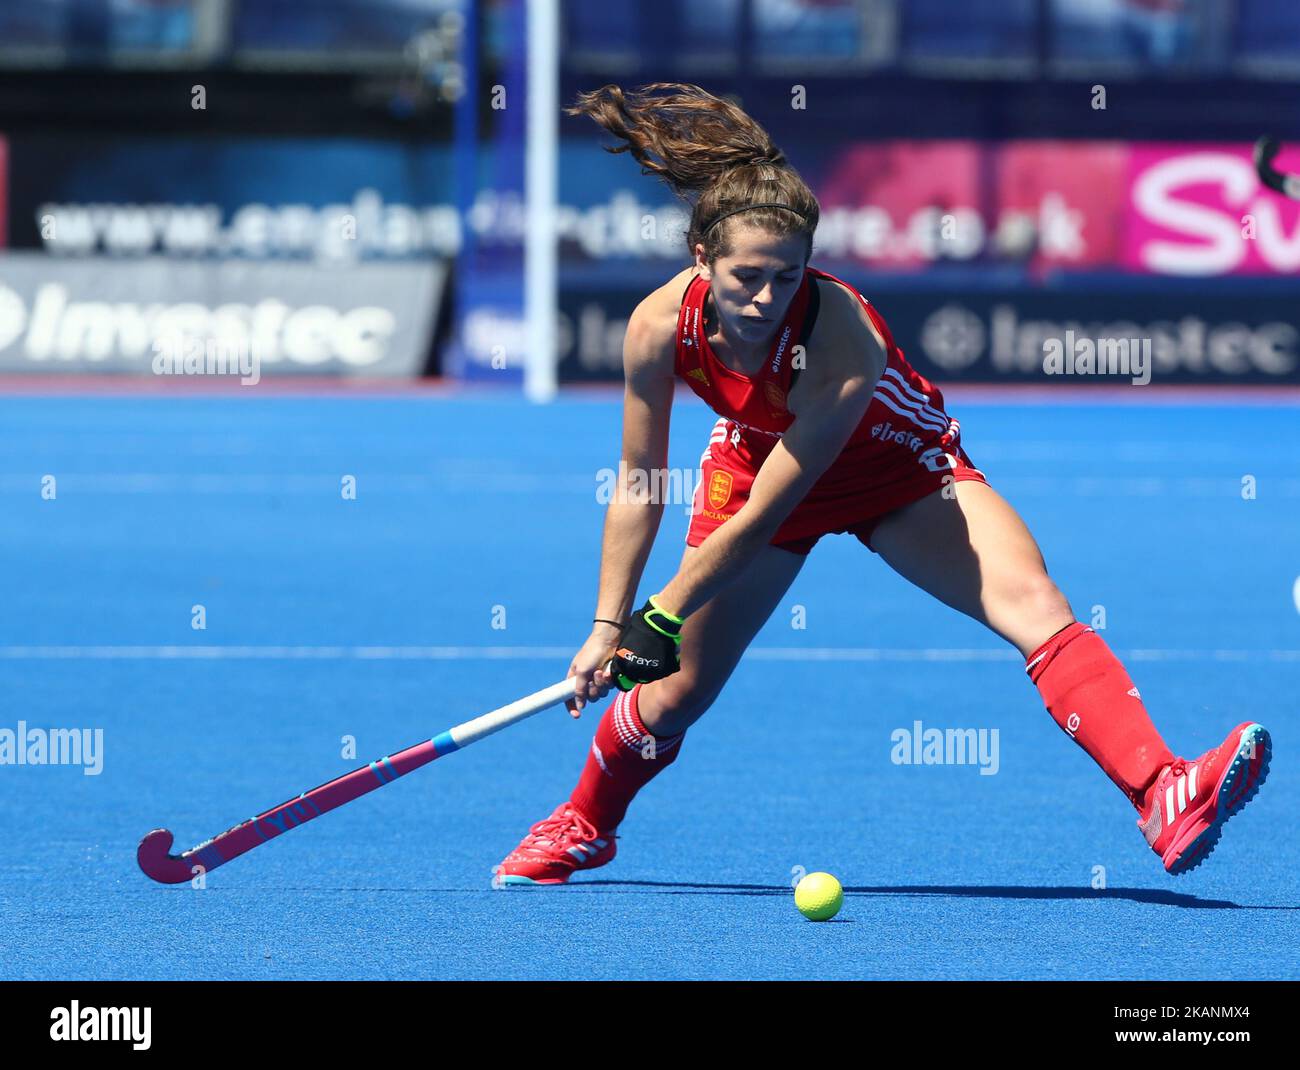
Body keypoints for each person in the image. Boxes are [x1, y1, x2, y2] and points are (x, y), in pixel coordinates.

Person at [495, 83, 1270, 885]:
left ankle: (1162, 788)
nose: (766, 299)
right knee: (674, 694)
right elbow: (638, 484)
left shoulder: (843, 344)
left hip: (894, 468)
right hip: (756, 462)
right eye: (746, 277)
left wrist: (663, 609)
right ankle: (584, 822)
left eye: (788, 278)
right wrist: (609, 622)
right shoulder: (660, 327)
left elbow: (769, 517)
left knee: (1037, 605)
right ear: (702, 260)